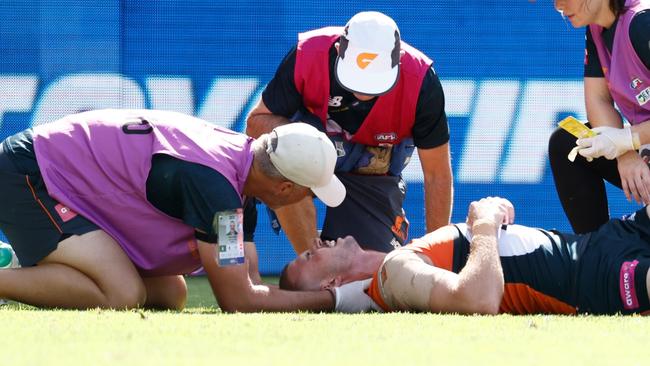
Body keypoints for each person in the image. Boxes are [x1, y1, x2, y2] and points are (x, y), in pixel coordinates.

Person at [0, 108, 378, 313]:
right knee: (121, 294)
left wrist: (306, 286)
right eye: (307, 193)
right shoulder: (218, 192)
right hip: (32, 175)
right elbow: (239, 300)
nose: (305, 202)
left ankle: (39, 264)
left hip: (58, 176)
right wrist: (337, 300)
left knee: (171, 293)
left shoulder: (242, 167)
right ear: (284, 187)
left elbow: (247, 279)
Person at [246, 11, 453, 254]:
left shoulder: (422, 83)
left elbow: (437, 174)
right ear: (338, 50)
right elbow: (256, 122)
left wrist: (438, 255)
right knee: (286, 155)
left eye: (375, 80)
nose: (364, 91)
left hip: (373, 171)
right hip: (310, 157)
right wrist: (306, 142)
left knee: (369, 279)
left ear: (399, 60)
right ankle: (310, 260)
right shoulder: (308, 55)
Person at [280, 196, 650, 315]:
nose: (313, 243)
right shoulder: (393, 274)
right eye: (307, 258)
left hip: (603, 241)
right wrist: (486, 227)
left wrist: (496, 212)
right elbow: (478, 298)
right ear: (332, 282)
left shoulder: (403, 257)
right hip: (591, 278)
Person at [548, 0, 650, 234]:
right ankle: (596, 258)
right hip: (643, 148)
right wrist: (624, 153)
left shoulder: (643, 22)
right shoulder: (596, 29)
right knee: (567, 143)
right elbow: (598, 99)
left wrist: (627, 140)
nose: (558, 5)